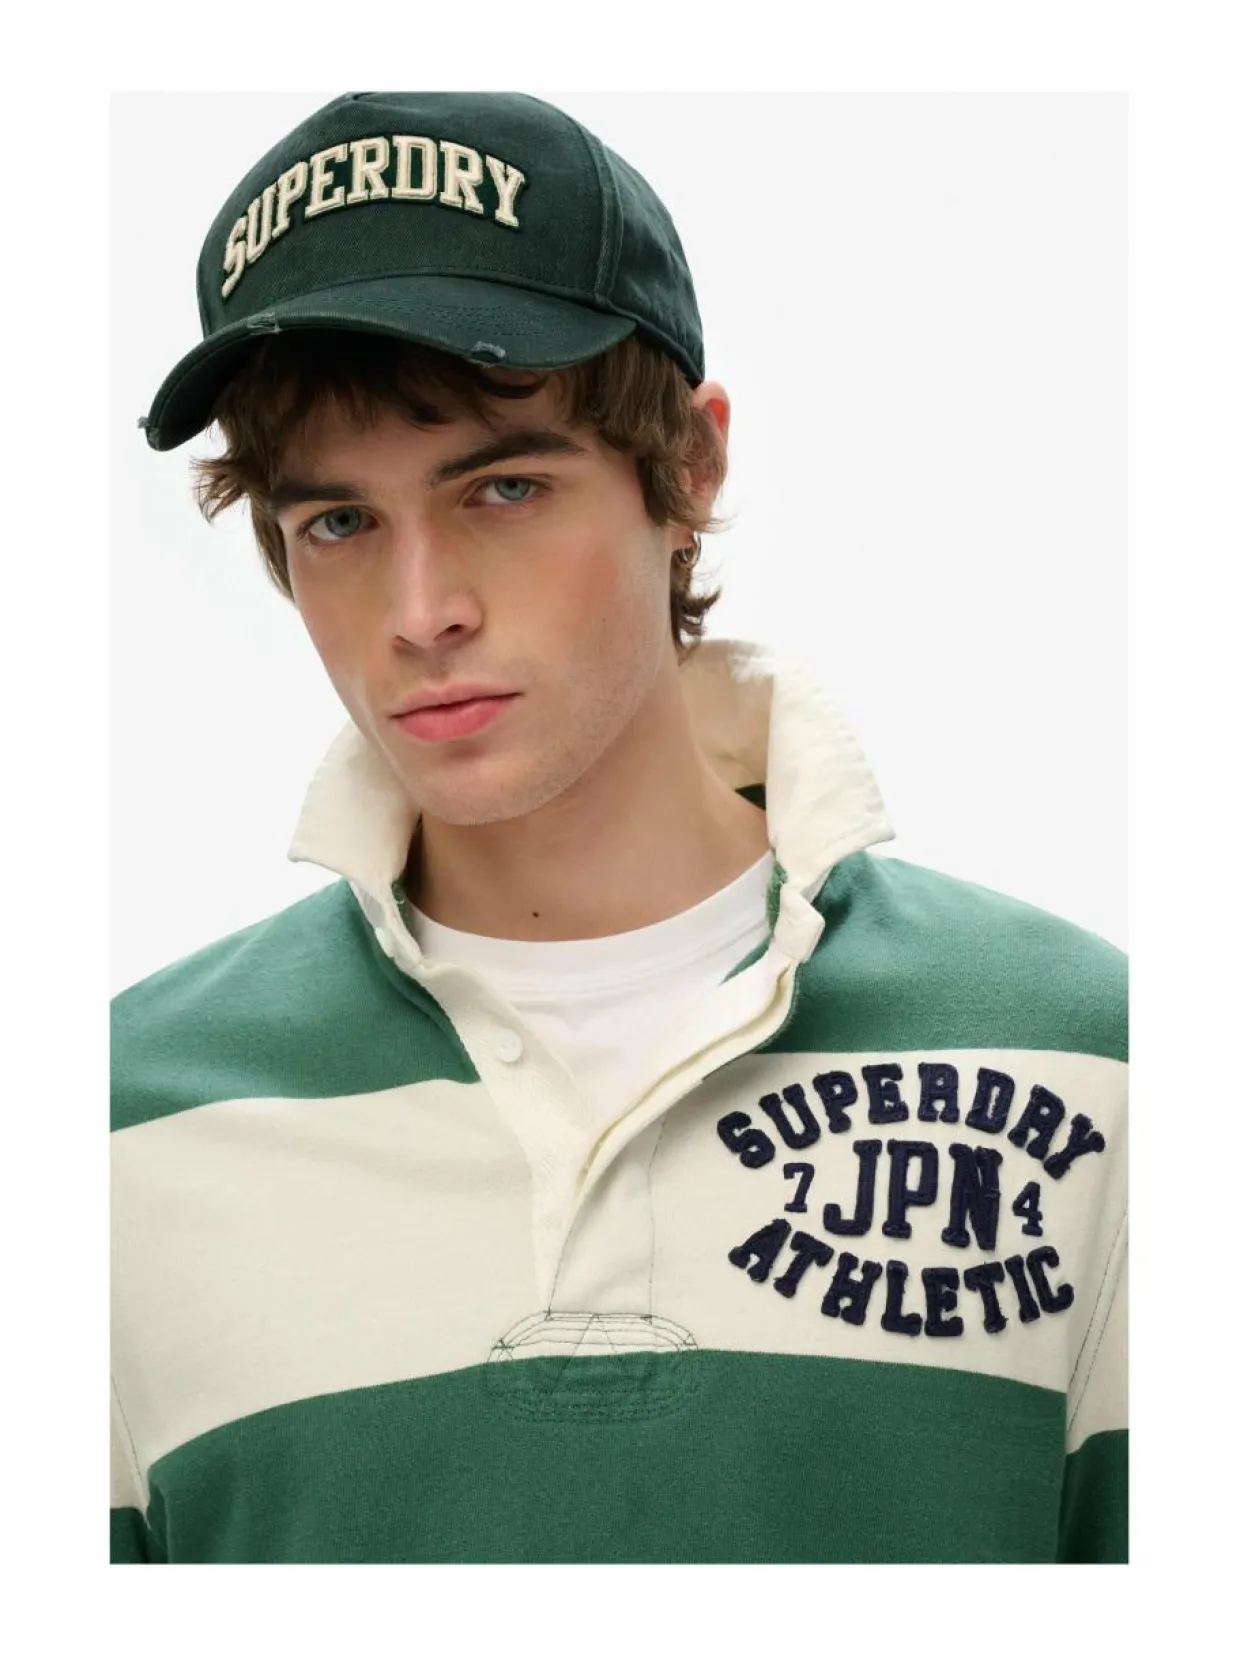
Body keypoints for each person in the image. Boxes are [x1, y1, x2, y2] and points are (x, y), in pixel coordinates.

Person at [111, 90, 1127, 1565]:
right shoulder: (110, 1135)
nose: (421, 612)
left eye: (504, 487)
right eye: (337, 522)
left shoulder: (1099, 1067)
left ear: (689, 470)